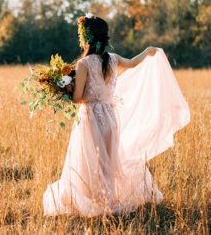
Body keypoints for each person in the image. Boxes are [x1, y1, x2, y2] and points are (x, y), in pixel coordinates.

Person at [43, 13, 190, 217]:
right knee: (108, 159)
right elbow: (132, 63)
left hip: (90, 118)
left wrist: (66, 88)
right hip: (110, 117)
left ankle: (95, 200)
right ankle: (107, 197)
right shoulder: (113, 60)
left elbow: (78, 98)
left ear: (86, 38)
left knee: (90, 160)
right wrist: (147, 51)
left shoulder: (84, 64)